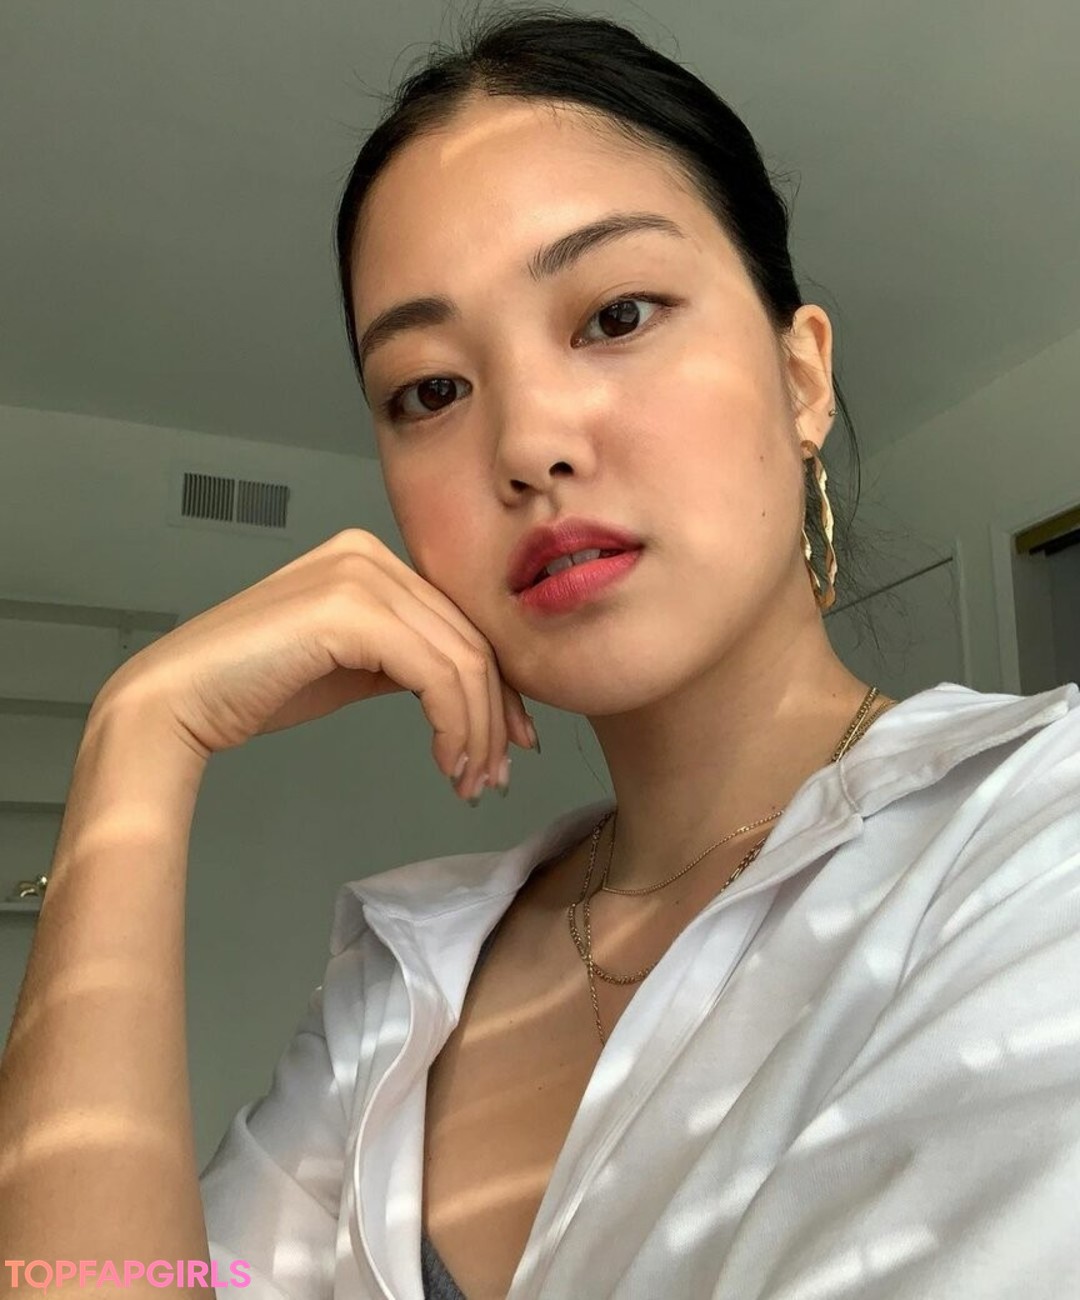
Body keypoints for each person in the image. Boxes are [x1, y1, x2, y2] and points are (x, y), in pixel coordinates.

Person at [1, 6, 1078, 1299]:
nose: (526, 443)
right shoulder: (406, 986)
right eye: (431, 390)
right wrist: (138, 736)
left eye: (616, 313)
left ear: (803, 379)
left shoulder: (1034, 841)